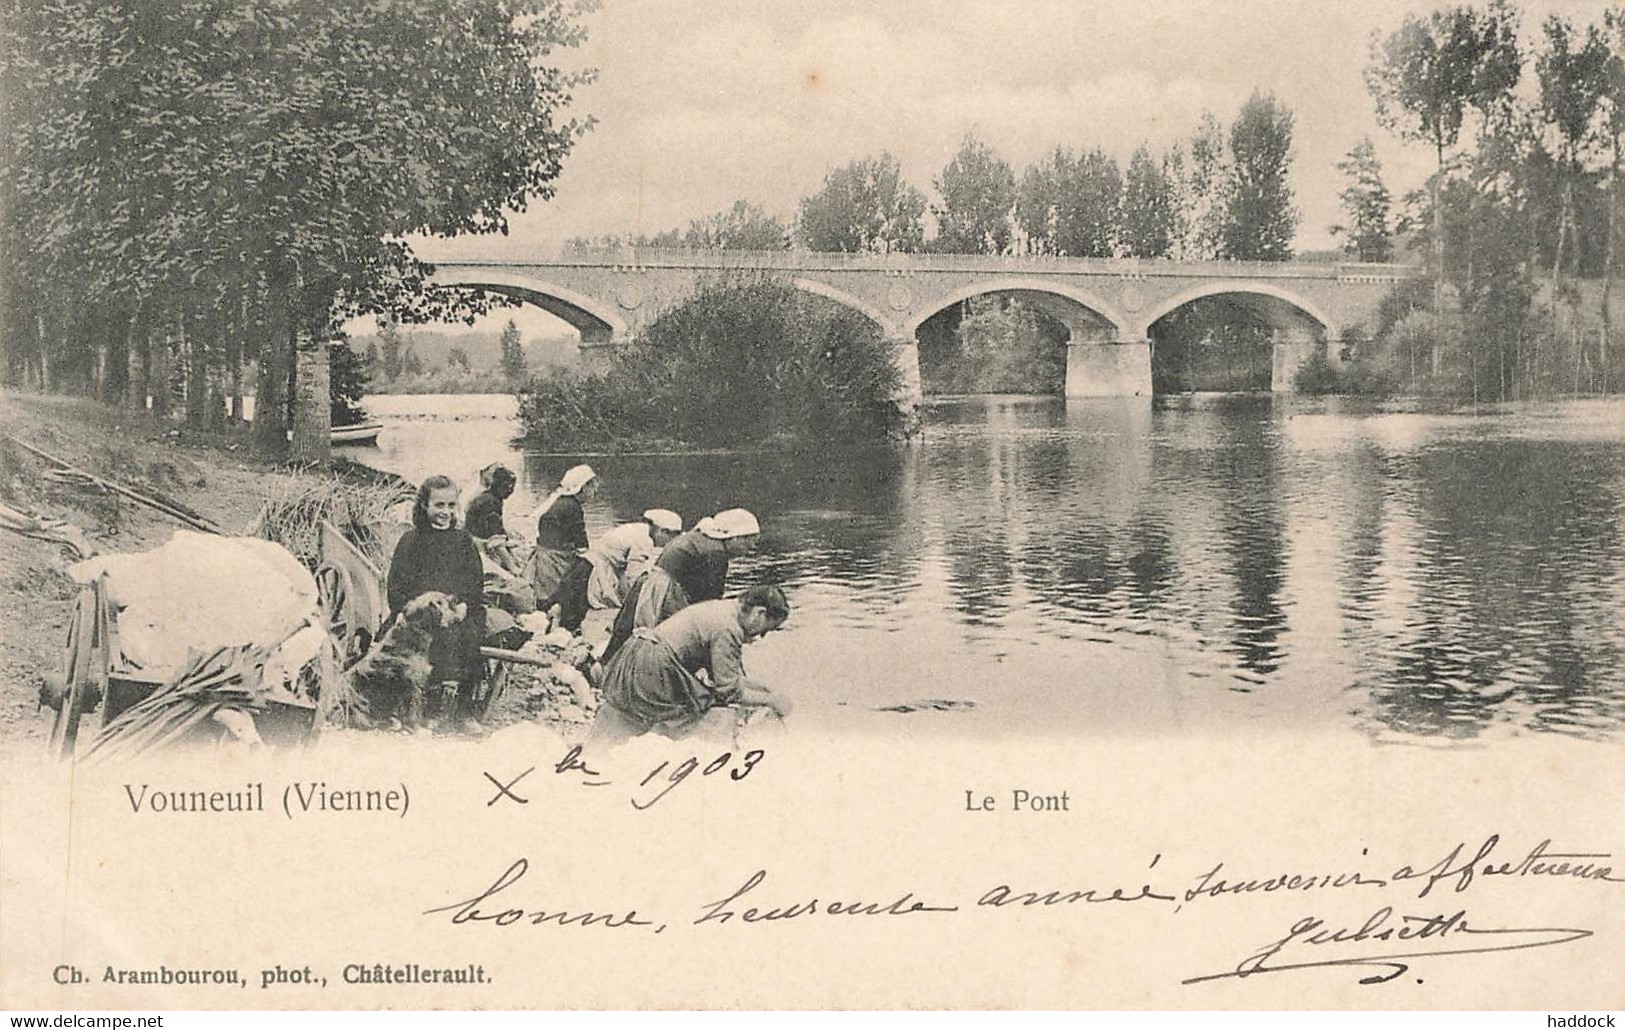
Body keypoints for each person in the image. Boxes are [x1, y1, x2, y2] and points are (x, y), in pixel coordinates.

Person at [590, 584, 792, 743]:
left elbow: (722, 675)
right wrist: (770, 701)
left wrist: (759, 689)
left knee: (700, 696)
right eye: (765, 629)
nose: (761, 636)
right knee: (698, 709)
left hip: (638, 655)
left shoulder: (724, 608)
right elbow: (728, 691)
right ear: (759, 613)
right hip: (653, 667)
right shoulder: (728, 630)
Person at [386, 475, 487, 732]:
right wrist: (401, 609)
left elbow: (474, 580)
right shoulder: (411, 540)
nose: (445, 512)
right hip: (421, 612)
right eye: (439, 505)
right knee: (422, 641)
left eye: (451, 506)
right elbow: (396, 583)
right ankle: (427, 708)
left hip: (456, 610)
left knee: (468, 636)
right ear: (424, 506)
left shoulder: (463, 541)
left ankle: (463, 710)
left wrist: (464, 604)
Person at [527, 464, 596, 631]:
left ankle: (551, 617)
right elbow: (581, 542)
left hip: (545, 554)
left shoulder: (560, 502)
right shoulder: (573, 508)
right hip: (555, 558)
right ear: (583, 488)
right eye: (591, 487)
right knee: (578, 580)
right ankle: (563, 620)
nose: (593, 492)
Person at [655, 507, 759, 604]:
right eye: (748, 543)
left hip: (657, 591)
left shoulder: (698, 537)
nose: (751, 548)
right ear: (735, 537)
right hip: (667, 597)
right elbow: (711, 601)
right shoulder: (715, 554)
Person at [586, 508, 682, 610]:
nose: (666, 544)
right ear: (662, 531)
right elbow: (634, 574)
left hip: (612, 563)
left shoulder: (643, 529)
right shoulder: (643, 539)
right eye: (668, 539)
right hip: (600, 567)